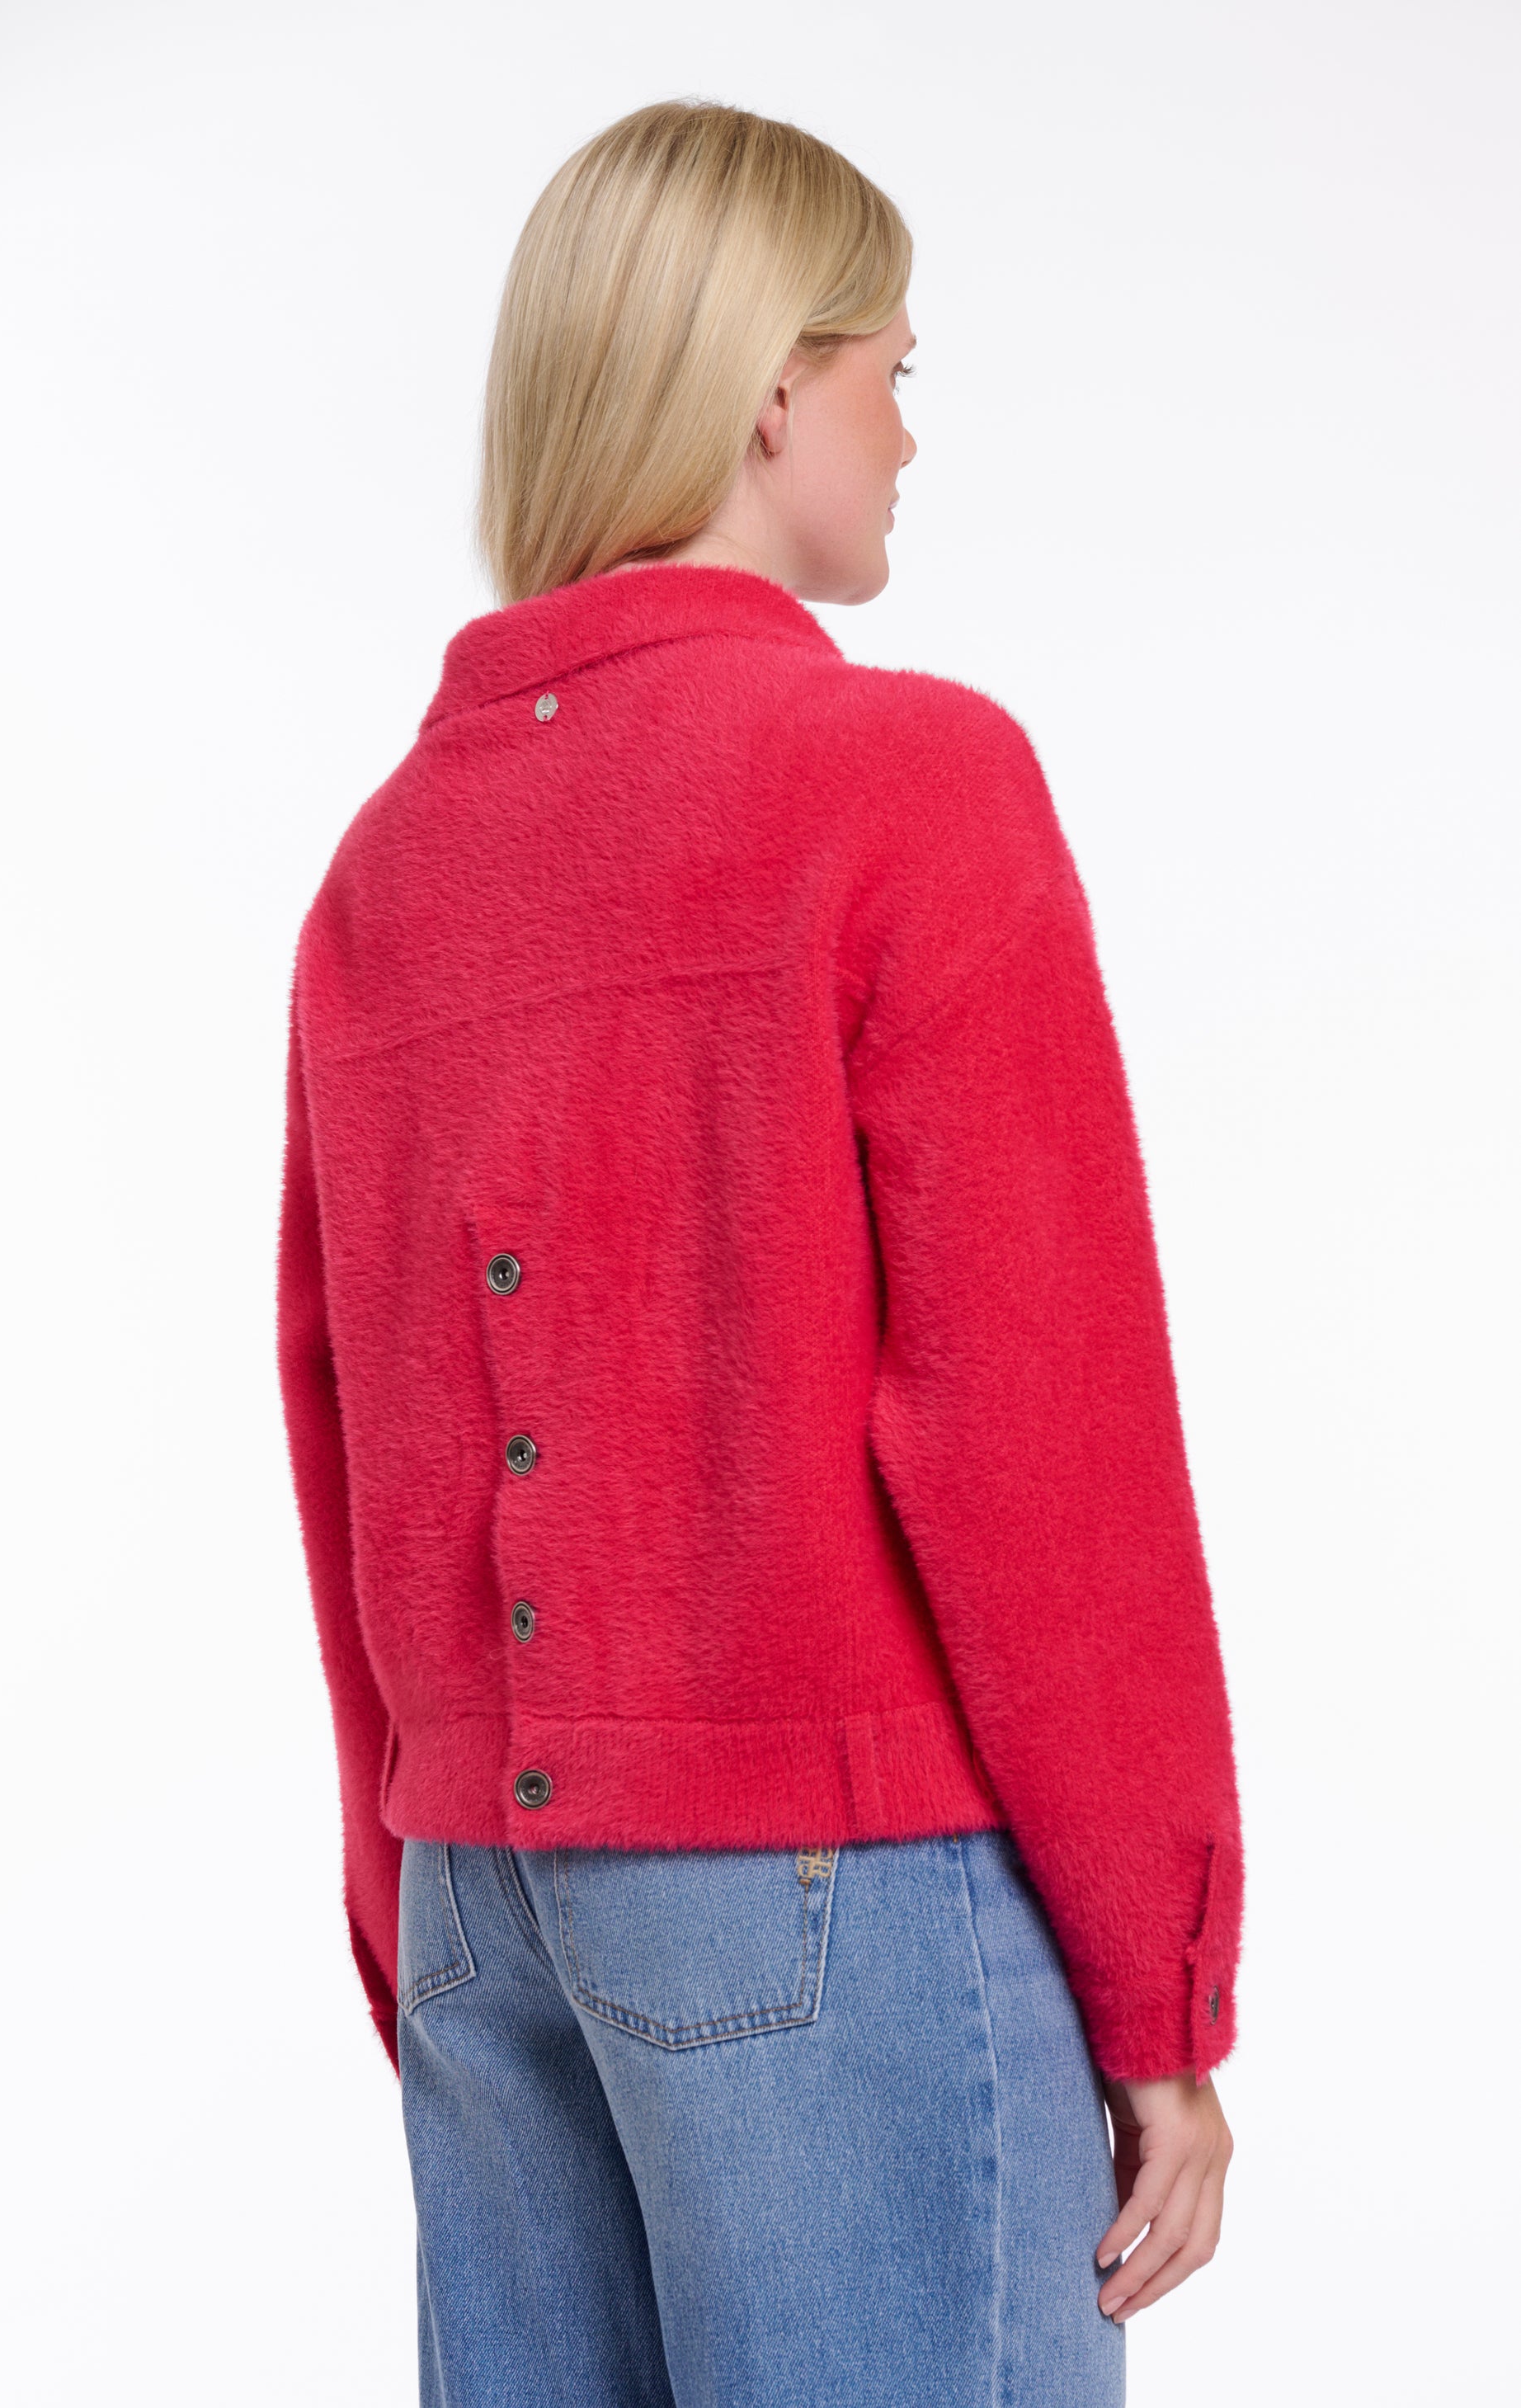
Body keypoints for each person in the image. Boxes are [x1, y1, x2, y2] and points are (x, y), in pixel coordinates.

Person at [278, 98, 1241, 2408]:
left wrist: (409, 1903)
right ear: (770, 392)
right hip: (837, 1886)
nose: (910, 434)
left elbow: (350, 1433)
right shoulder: (902, 780)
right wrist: (1164, 1989)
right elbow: (1039, 1427)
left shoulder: (389, 863)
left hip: (485, 1894)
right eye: (894, 368)